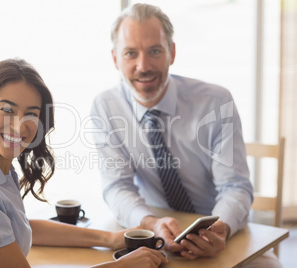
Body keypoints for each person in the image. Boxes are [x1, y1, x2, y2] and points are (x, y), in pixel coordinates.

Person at [0, 58, 167, 268]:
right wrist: (122, 265)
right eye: (7, 110)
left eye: (31, 114)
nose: (19, 126)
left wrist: (112, 239)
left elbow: (19, 229)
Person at [90, 3, 280, 267]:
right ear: (115, 59)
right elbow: (117, 186)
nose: (142, 66)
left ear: (172, 52)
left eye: (154, 51)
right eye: (130, 53)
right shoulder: (105, 106)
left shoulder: (216, 102)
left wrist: (221, 227)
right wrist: (149, 222)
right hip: (156, 235)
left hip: (224, 235)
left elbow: (235, 186)